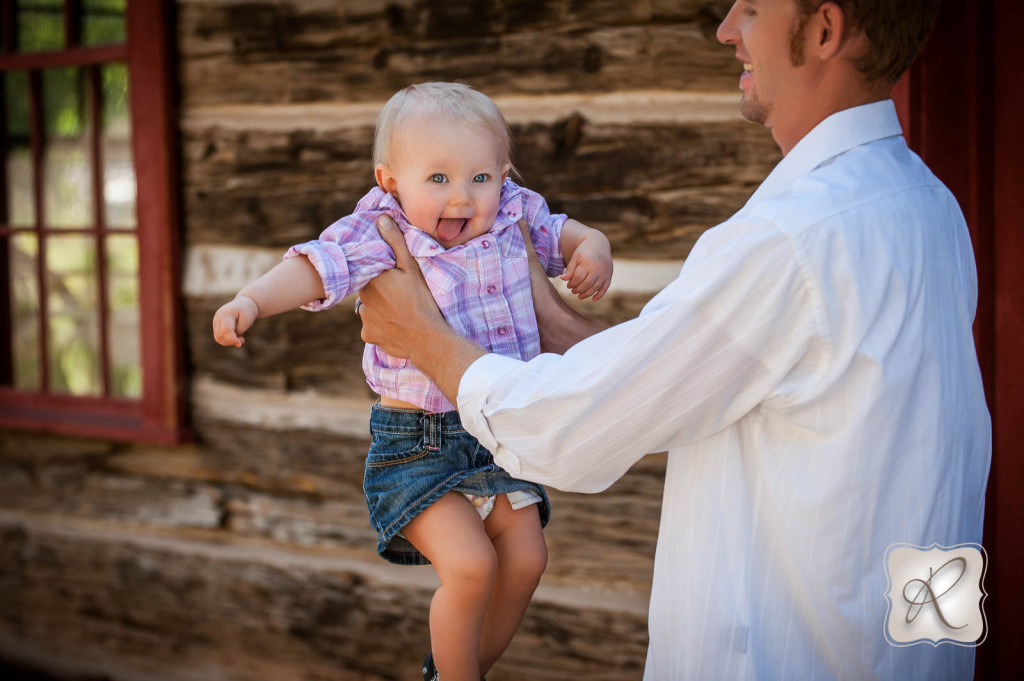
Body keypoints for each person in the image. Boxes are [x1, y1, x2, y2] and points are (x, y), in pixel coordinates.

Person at [355, 1, 991, 680]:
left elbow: (577, 428)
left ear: (826, 29)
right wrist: (551, 322)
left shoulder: (789, 239)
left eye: (750, 8)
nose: (726, 28)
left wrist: (422, 337)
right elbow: (685, 383)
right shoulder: (928, 206)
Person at [211, 82, 613, 681]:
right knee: (472, 566)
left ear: (504, 175)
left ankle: (458, 670)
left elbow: (567, 233)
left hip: (498, 430)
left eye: (480, 177)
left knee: (527, 558)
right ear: (391, 180)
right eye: (438, 179)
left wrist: (594, 248)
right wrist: (251, 300)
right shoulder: (381, 228)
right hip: (418, 441)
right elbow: (316, 266)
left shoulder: (512, 212)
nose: (462, 197)